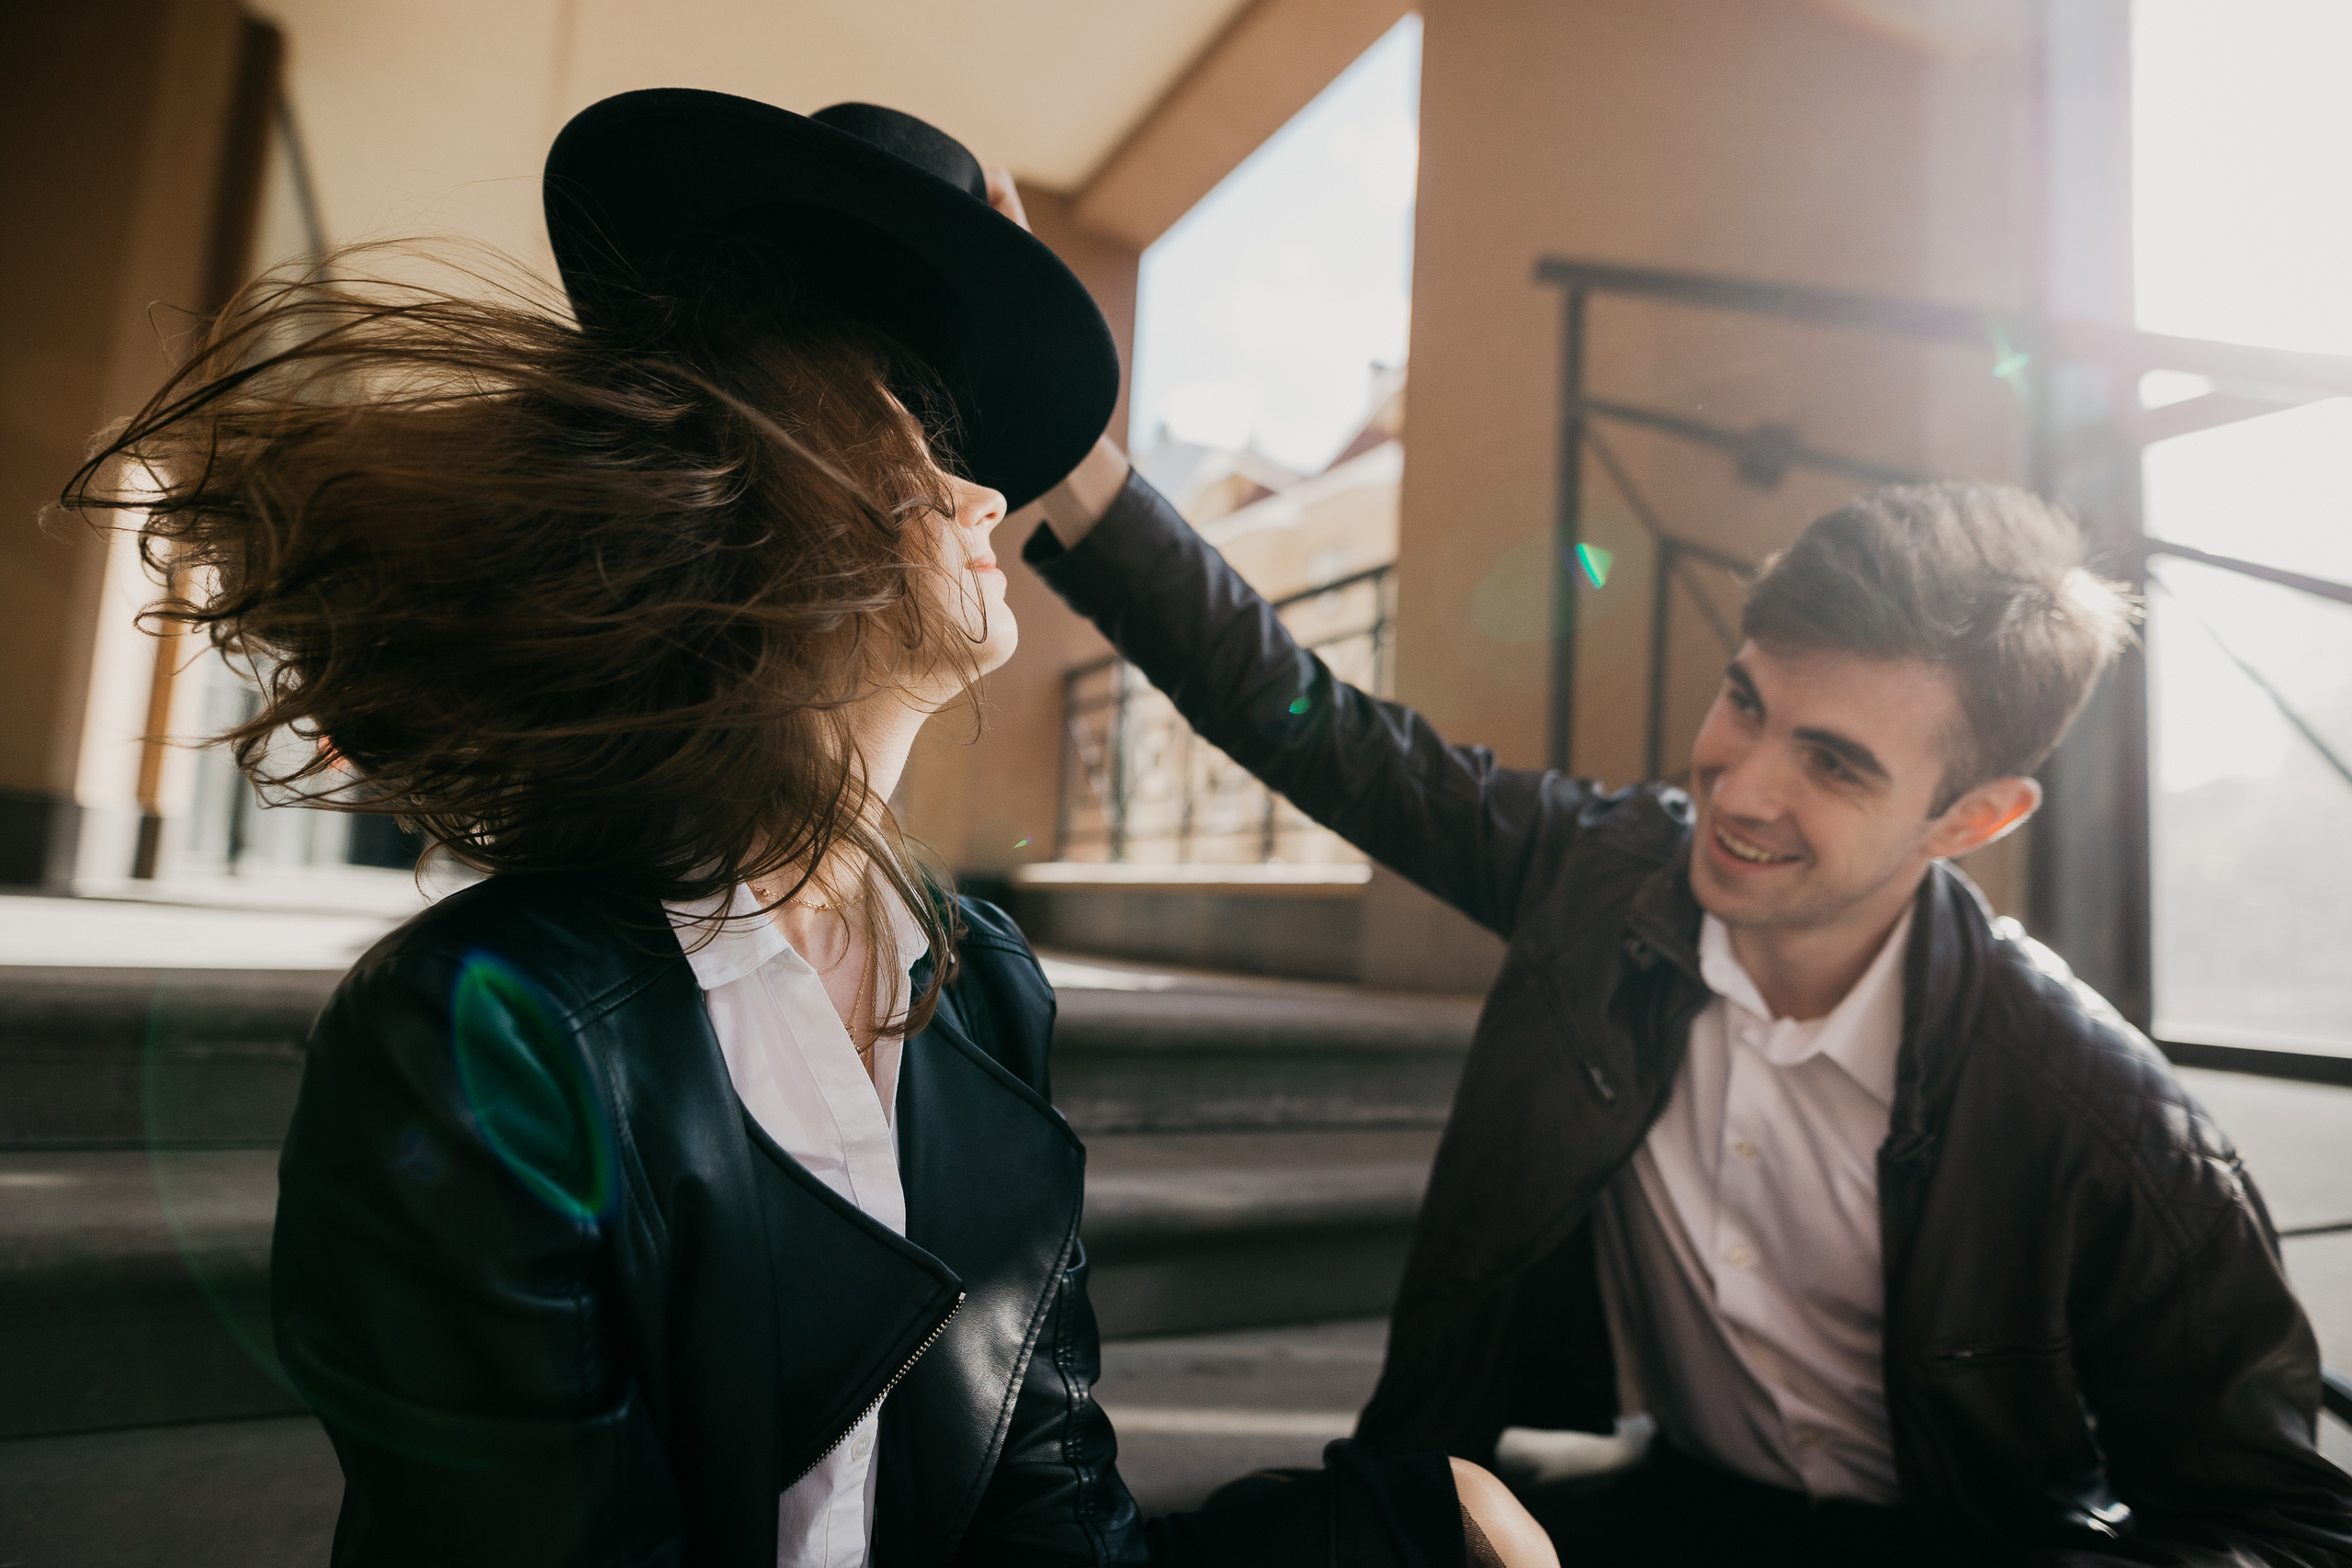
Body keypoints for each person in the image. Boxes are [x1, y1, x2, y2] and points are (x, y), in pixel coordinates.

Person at [61, 91, 1557, 1568]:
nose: (987, 494)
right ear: (783, 478)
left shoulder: (984, 987)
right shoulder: (481, 1039)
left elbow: (1050, 1520)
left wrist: (1386, 1537)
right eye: (927, 424)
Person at [1021, 433, 2352, 1565]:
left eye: (1833, 763)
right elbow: (1308, 719)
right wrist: (1066, 441)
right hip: (1677, 1512)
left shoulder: (2112, 1125)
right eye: (1745, 700)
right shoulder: (1600, 878)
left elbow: (2279, 1528)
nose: (1741, 784)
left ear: (1974, 816)